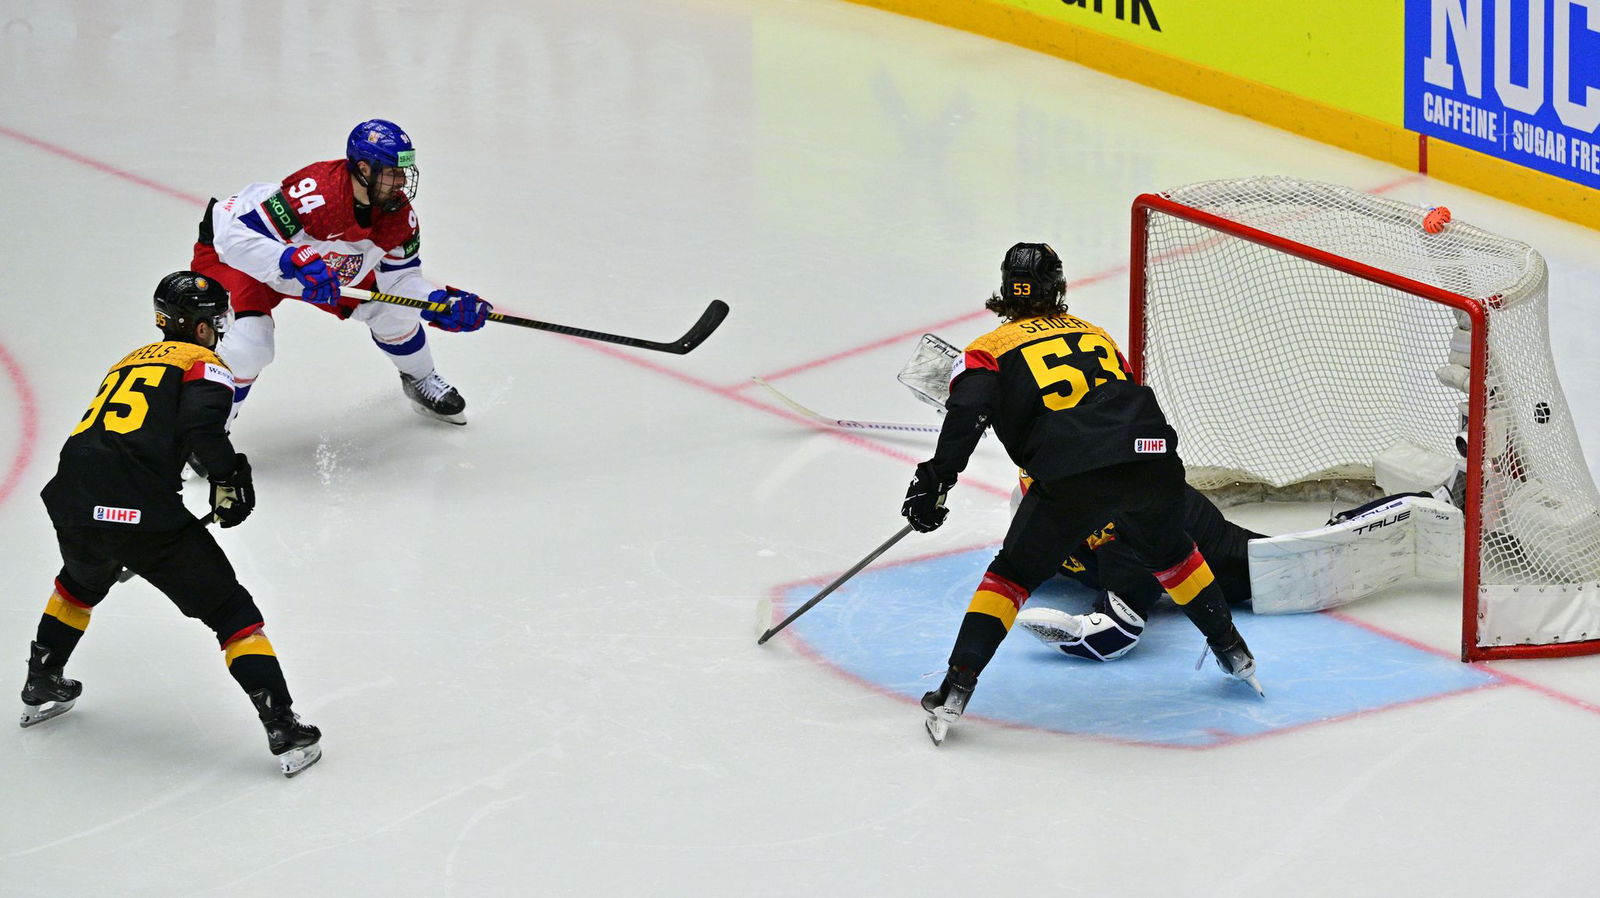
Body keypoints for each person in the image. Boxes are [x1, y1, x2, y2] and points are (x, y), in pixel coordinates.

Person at [901, 242, 1260, 746]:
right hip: (1152, 460)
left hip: (1073, 476)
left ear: (1006, 290)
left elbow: (966, 416)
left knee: (1011, 577)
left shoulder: (988, 350)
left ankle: (954, 689)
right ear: (1060, 287)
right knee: (1174, 555)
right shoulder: (1097, 335)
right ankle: (1233, 652)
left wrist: (935, 482)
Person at [20, 272, 322, 778]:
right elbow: (201, 429)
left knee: (78, 582)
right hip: (139, 510)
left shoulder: (130, 360)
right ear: (201, 327)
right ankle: (285, 730)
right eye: (215, 320)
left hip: (71, 498)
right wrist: (230, 477)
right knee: (232, 613)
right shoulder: (204, 364)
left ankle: (41, 683)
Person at [191, 118, 491, 430]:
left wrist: (440, 302)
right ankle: (208, 429)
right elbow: (236, 239)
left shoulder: (397, 215)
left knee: (389, 310)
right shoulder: (319, 195)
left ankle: (421, 378)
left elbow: (399, 281)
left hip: (312, 261)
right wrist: (290, 258)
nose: (400, 181)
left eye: (402, 172)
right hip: (241, 258)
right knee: (251, 345)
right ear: (363, 169)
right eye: (391, 172)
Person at [1015, 474, 1261, 662]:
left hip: (1173, 523)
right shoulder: (1037, 495)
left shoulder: (1114, 509)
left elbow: (1114, 635)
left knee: (1238, 560)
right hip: (1135, 522)